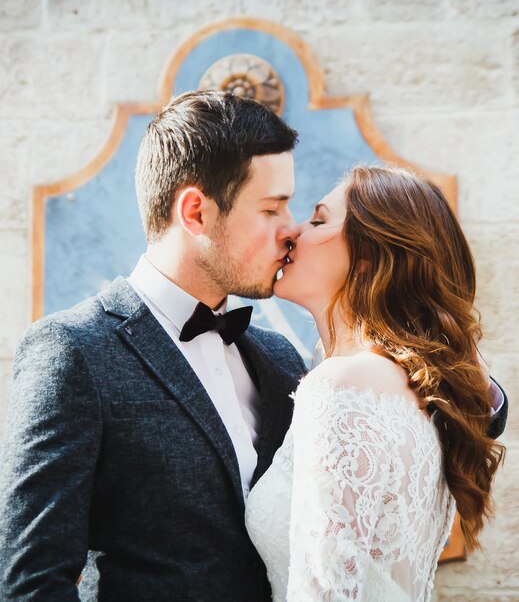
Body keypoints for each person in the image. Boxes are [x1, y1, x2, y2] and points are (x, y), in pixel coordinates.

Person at [0, 91, 306, 601]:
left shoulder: (280, 358)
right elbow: (31, 582)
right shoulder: (73, 352)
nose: (291, 227)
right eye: (272, 207)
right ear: (196, 212)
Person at [245, 164, 507, 602]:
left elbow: (325, 591)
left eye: (319, 220)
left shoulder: (343, 386)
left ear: (367, 260)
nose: (294, 231)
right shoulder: (415, 393)